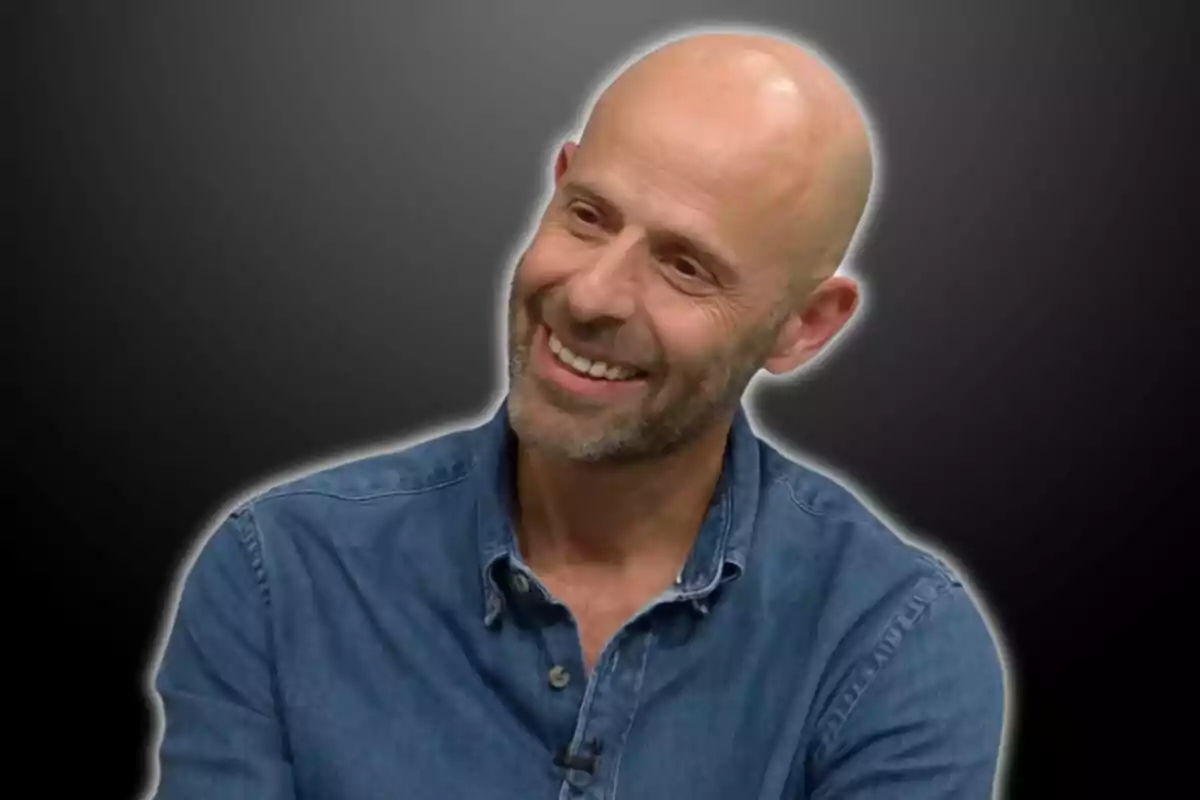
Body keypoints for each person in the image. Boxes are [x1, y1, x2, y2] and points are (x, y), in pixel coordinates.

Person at [144, 29, 1007, 799]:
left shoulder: (895, 644)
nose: (591, 294)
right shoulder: (280, 575)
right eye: (588, 217)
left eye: (685, 267)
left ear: (804, 325)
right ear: (555, 184)